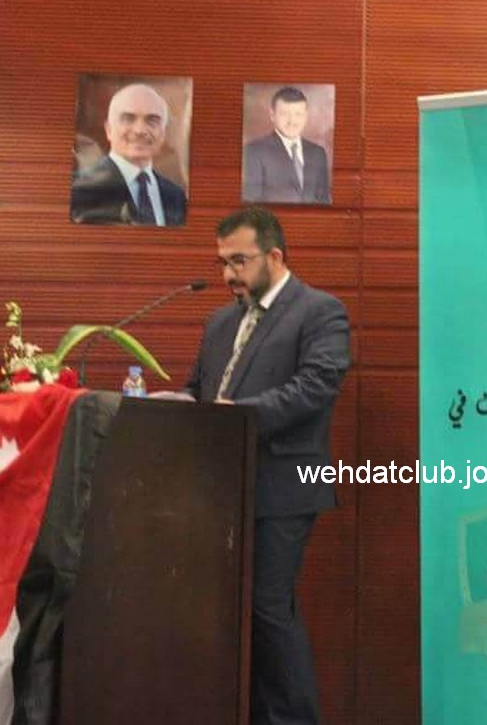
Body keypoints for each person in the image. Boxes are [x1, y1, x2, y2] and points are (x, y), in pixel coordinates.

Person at [185, 207, 350, 724]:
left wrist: (241, 416)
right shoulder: (220, 322)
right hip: (220, 490)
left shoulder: (319, 311)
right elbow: (199, 389)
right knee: (229, 614)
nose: (228, 274)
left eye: (239, 261)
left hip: (283, 486)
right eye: (222, 262)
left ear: (274, 256)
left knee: (268, 607)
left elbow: (317, 386)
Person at [70, 83, 188, 226]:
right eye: (128, 119)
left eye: (152, 120)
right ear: (108, 130)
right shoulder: (79, 189)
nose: (140, 130)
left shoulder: (177, 196)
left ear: (163, 133)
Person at [242, 87, 331, 204]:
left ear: (306, 116)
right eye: (284, 114)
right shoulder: (254, 151)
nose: (292, 121)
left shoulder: (318, 153)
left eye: (298, 114)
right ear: (272, 115)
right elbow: (250, 202)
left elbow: (323, 200)